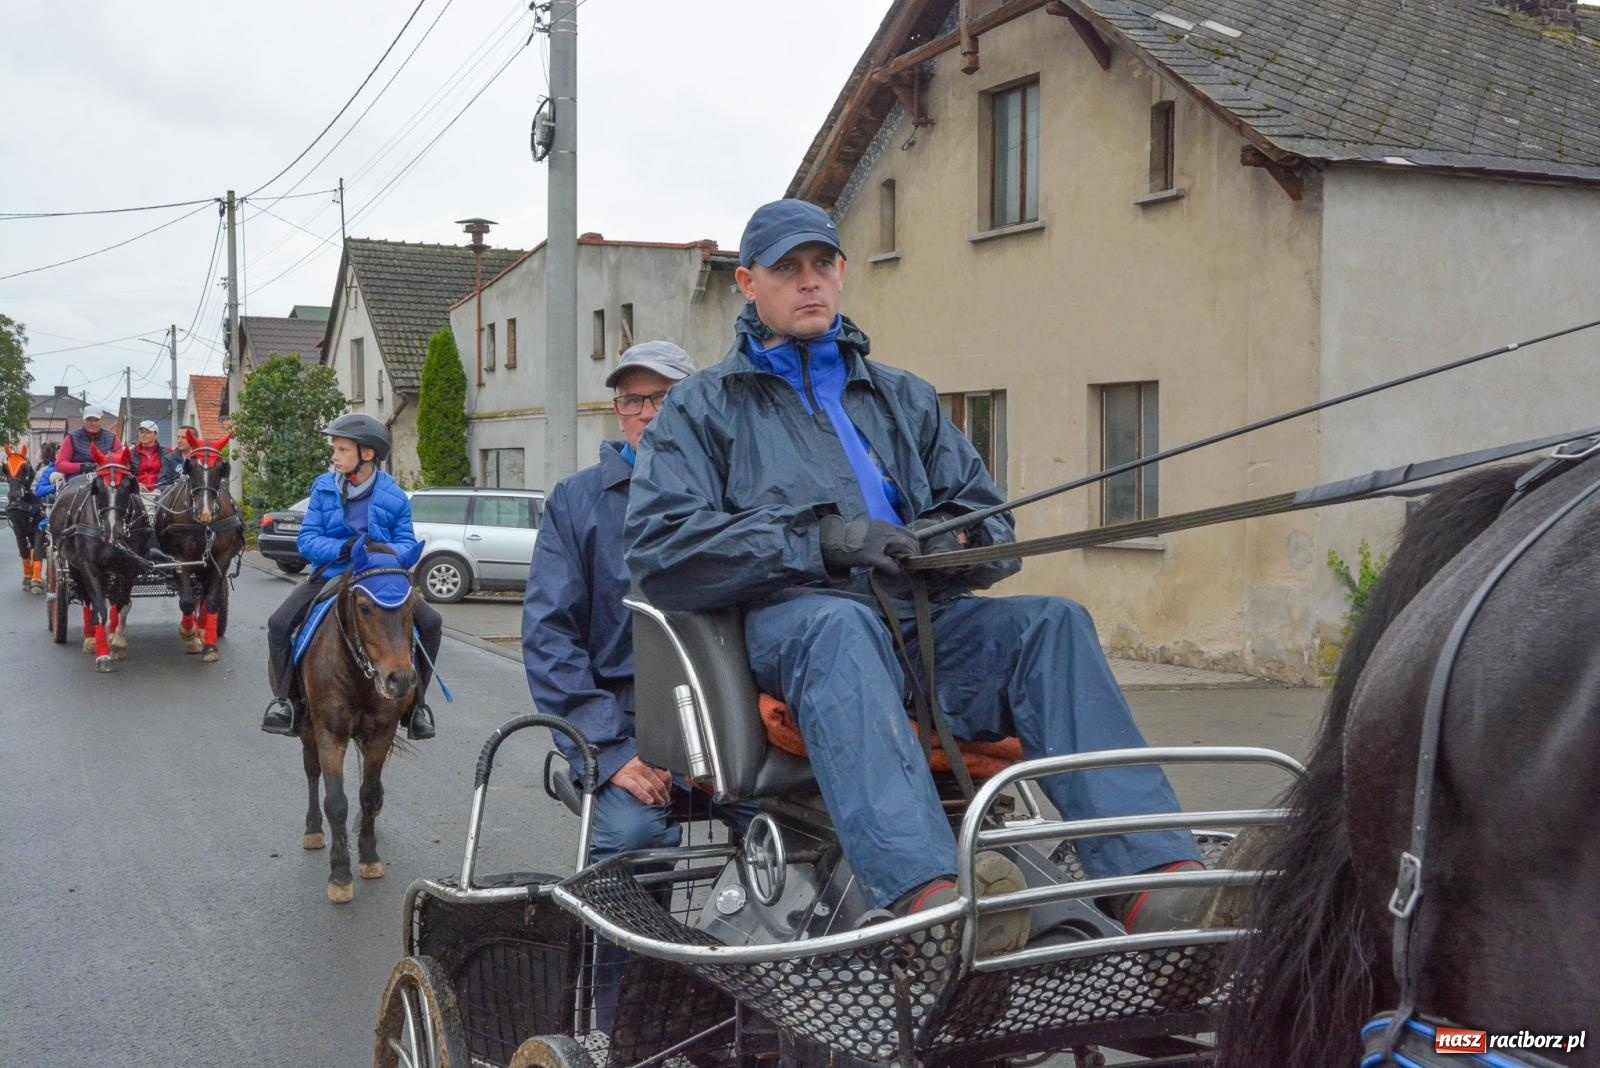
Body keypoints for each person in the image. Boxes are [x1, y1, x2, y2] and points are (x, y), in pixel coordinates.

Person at [624, 199, 1205, 955]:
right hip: (795, 625)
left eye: (822, 265)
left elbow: (994, 530)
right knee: (840, 625)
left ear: (840, 273)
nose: (810, 283)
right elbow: (664, 549)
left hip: (918, 623)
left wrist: (944, 542)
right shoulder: (703, 409)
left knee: (1052, 623)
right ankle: (925, 897)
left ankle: (1151, 880)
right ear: (747, 282)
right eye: (787, 269)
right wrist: (824, 540)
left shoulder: (905, 398)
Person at [524, 340, 753, 863]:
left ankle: (736, 940)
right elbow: (549, 636)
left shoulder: (737, 494)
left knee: (801, 827)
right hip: (624, 723)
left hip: (729, 715)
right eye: (634, 401)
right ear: (619, 412)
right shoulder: (577, 502)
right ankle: (629, 948)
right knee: (634, 842)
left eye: (666, 399)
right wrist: (610, 753)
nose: (648, 415)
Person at [260, 414, 443, 740]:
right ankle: (288, 703)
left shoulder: (396, 498)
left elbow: (404, 542)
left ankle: (416, 707)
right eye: (336, 449)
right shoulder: (323, 488)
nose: (335, 456)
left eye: (342, 449)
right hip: (331, 573)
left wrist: (378, 553)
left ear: (367, 454)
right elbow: (307, 540)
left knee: (431, 623)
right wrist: (342, 547)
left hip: (379, 579)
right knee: (278, 623)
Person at [53, 406, 119, 477]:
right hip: (78, 477)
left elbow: (122, 459)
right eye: (89, 420)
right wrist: (82, 466)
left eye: (96, 420)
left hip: (105, 476)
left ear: (102, 420)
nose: (93, 423)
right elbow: (60, 464)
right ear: (83, 420)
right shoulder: (71, 438)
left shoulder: (112, 438)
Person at [129, 419, 180, 492]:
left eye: (147, 432)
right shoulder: (131, 453)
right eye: (141, 432)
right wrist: (135, 484)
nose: (143, 435)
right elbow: (125, 473)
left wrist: (162, 488)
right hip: (137, 493)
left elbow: (175, 473)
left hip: (162, 494)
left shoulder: (168, 453)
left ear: (156, 435)